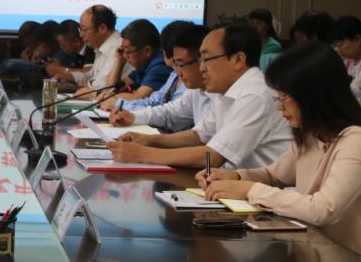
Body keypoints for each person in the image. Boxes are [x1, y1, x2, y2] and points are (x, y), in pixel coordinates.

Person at [197, 42, 361, 262]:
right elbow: (274, 175)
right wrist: (234, 177)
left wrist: (249, 189)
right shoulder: (312, 133)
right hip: (327, 261)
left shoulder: (359, 140)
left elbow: (322, 210)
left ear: (313, 95)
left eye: (285, 97)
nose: (279, 106)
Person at [109, 22, 291, 169]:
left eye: (206, 59)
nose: (202, 67)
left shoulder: (255, 94)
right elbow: (198, 136)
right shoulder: (228, 91)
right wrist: (149, 140)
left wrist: (142, 154)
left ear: (238, 60)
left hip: (264, 193)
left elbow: (213, 156)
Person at [111, 25, 214, 133]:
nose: (178, 72)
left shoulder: (219, 96)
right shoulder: (195, 90)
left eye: (181, 65)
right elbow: (169, 113)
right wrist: (133, 117)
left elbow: (199, 138)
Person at [103, 20, 191, 111]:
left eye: (128, 51)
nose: (125, 56)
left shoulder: (161, 65)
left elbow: (138, 97)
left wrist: (112, 99)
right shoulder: (146, 64)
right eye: (123, 50)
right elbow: (112, 88)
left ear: (147, 51)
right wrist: (119, 61)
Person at [43, 5, 121, 90]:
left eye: (84, 29)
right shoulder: (101, 47)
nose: (81, 35)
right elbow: (92, 75)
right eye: (80, 30)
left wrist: (79, 87)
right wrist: (70, 77)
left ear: (102, 28)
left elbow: (101, 85)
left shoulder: (117, 49)